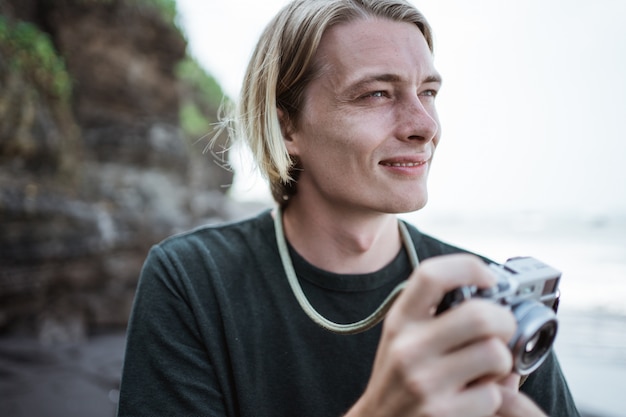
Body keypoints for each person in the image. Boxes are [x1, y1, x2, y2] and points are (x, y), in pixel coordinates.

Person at [117, 0, 580, 416]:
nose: (424, 125)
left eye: (429, 92)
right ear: (286, 128)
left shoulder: (489, 297)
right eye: (376, 93)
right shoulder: (192, 281)